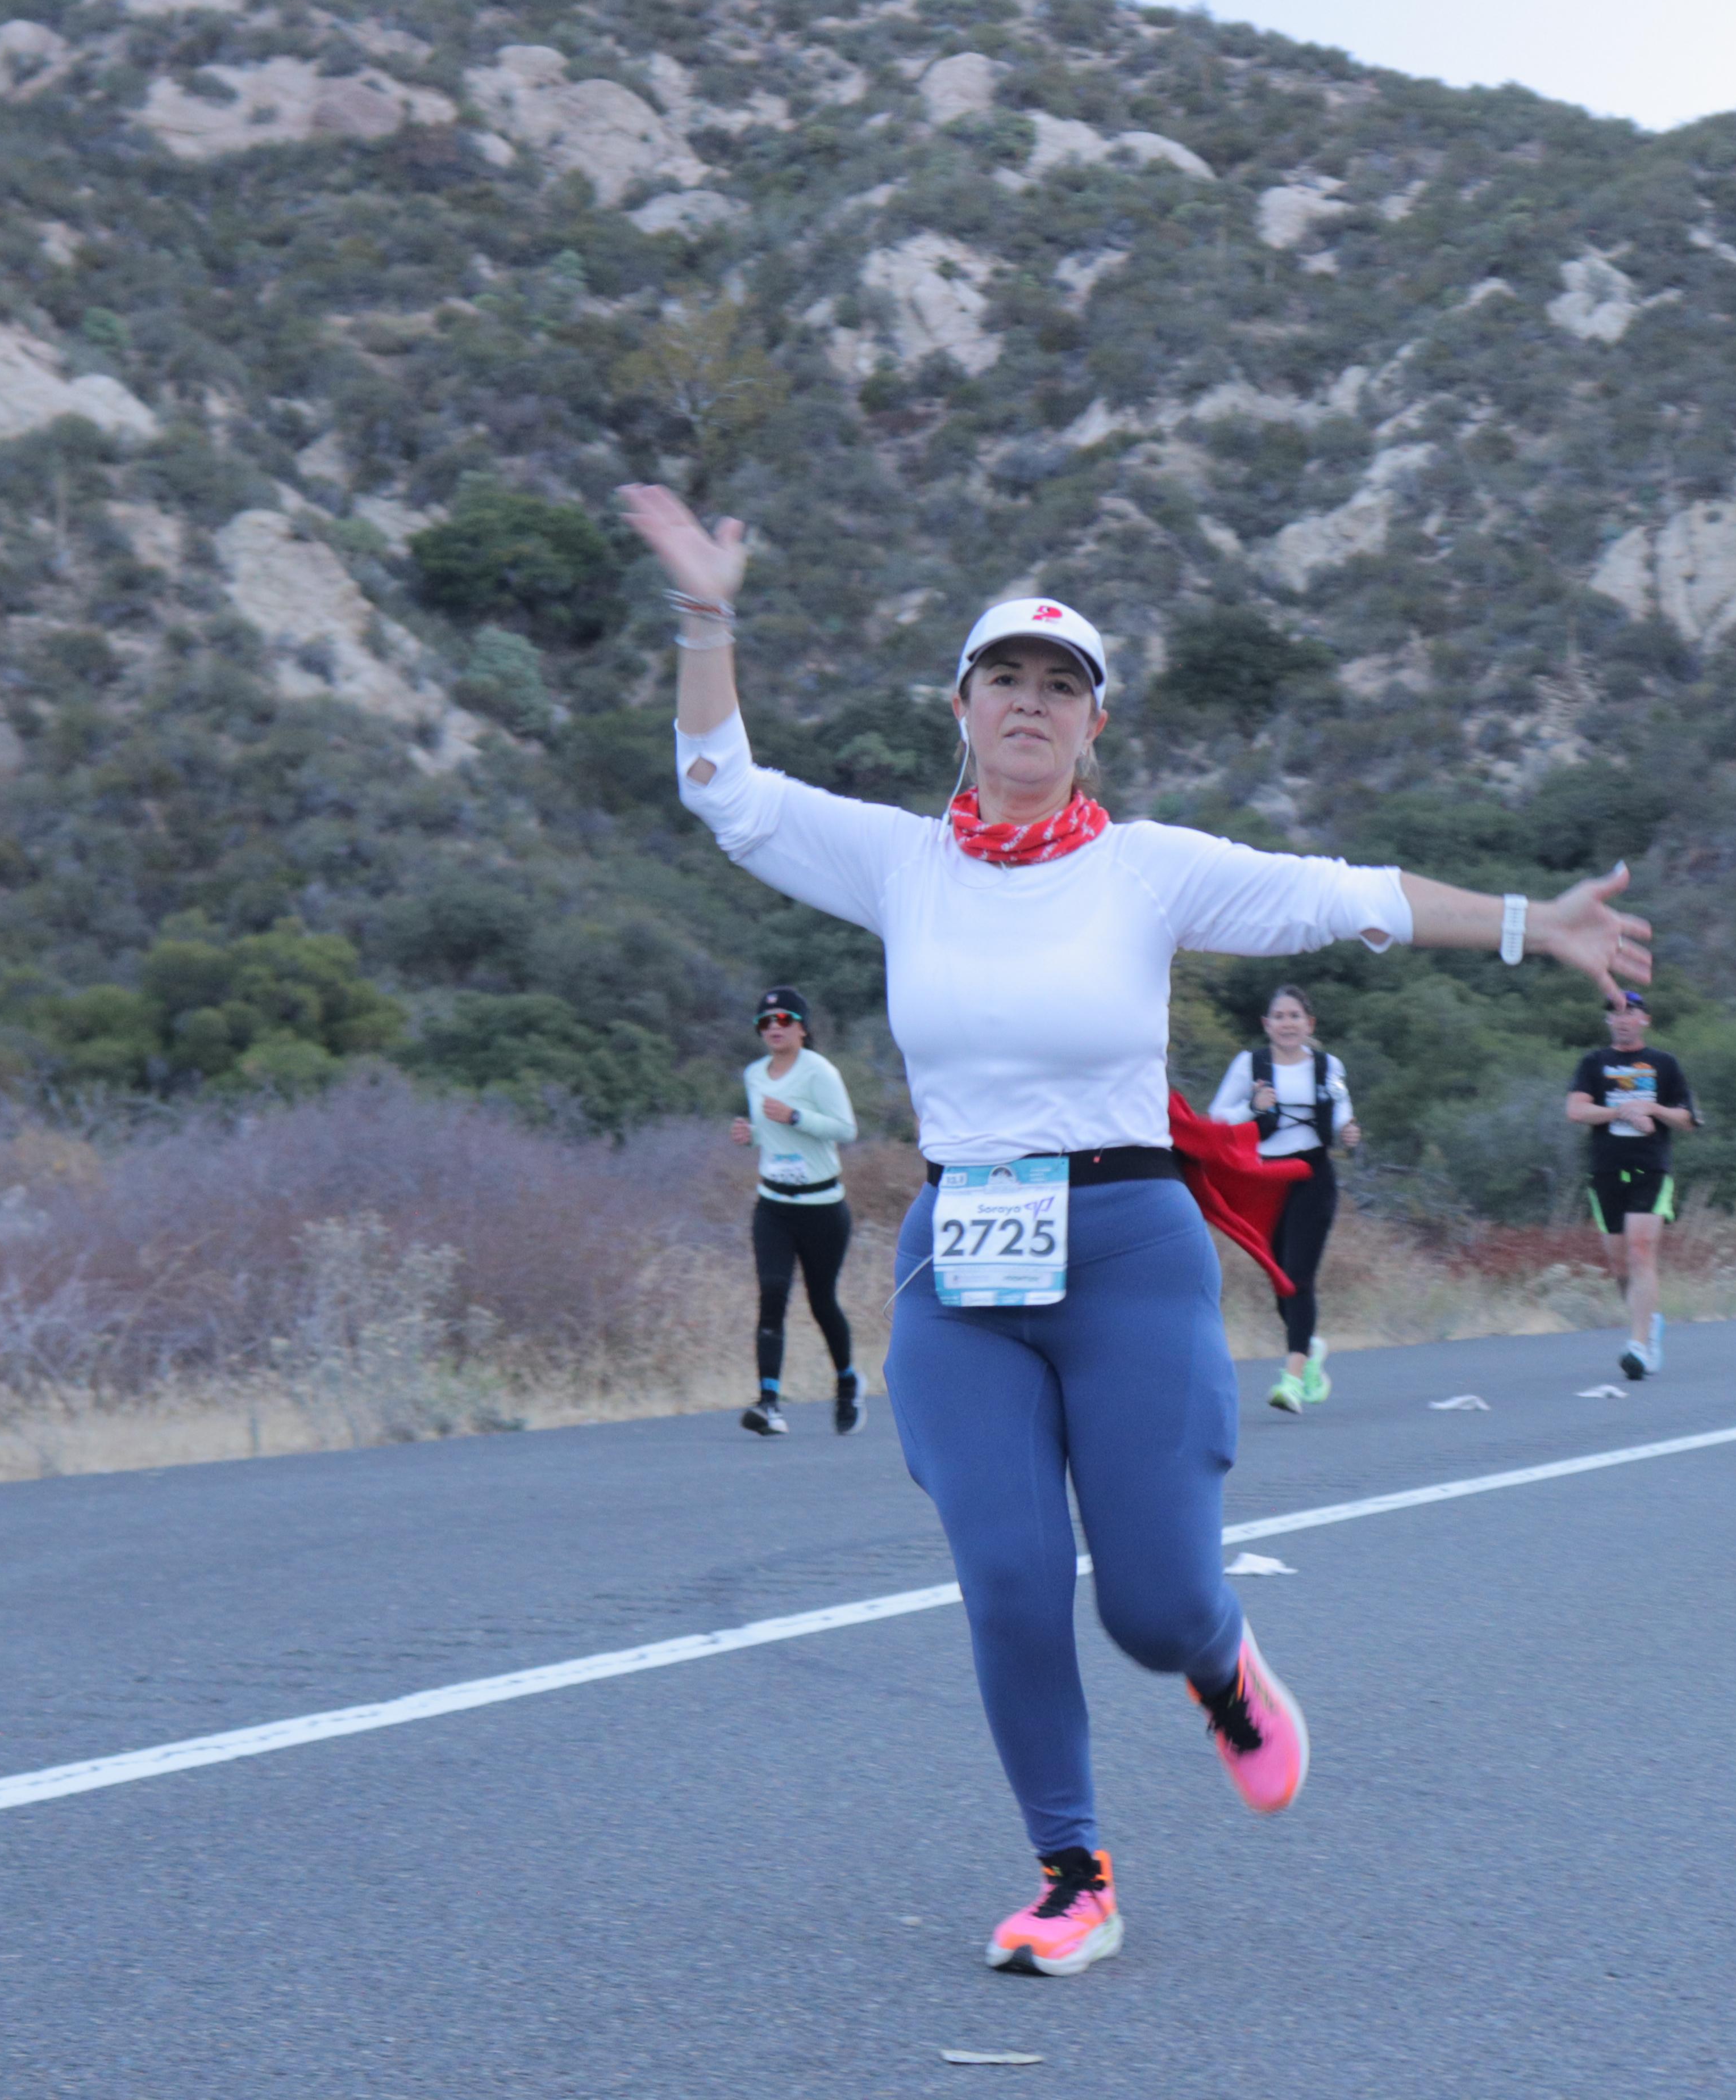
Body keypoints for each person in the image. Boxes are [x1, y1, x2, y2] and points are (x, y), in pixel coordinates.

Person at [624, 480, 1651, 1978]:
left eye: (1063, 685)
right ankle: (1072, 1874)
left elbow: (1340, 898)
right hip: (964, 1257)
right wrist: (704, 617)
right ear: (961, 706)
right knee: (1011, 1580)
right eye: (1005, 677)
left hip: (1126, 1248)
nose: (1030, 702)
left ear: (1094, 722)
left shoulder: (1146, 868)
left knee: (1155, 1608)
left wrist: (1529, 922)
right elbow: (728, 793)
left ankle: (1219, 1662)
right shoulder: (900, 862)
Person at [1206, 986, 1360, 1414]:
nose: (1287, 1023)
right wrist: (1253, 1107)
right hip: (1264, 1179)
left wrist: (1348, 1131)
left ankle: (1291, 1380)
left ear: (1309, 1024)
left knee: (1298, 1276)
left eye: (1295, 1016)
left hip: (1312, 1175)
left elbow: (1342, 1111)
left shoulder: (1328, 1065)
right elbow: (1217, 1117)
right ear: (1267, 1024)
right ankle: (1310, 1349)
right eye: (1279, 1016)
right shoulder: (1250, 1065)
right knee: (1279, 1277)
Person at [728, 985, 864, 1436]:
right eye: (765, 1022)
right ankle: (769, 1404)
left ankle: (847, 1383)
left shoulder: (819, 1072)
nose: (774, 1027)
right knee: (772, 1293)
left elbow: (846, 1130)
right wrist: (751, 1136)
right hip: (773, 1206)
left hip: (822, 1208)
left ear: (803, 1028)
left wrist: (796, 1117)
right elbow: (770, 1136)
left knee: (822, 1302)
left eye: (784, 1020)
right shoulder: (754, 1074)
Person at [1567, 992, 1693, 1380]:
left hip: (1650, 1169)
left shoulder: (1664, 1064)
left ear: (1645, 1020)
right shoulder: (1594, 1063)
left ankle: (1638, 1346)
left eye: (1630, 1012)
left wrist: (1652, 1108)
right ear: (1609, 1021)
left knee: (1641, 1252)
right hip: (1606, 1170)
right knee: (1621, 1265)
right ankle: (1649, 1323)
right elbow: (1576, 1110)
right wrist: (1621, 1112)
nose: (1622, 1019)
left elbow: (1686, 1119)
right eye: (1615, 1013)